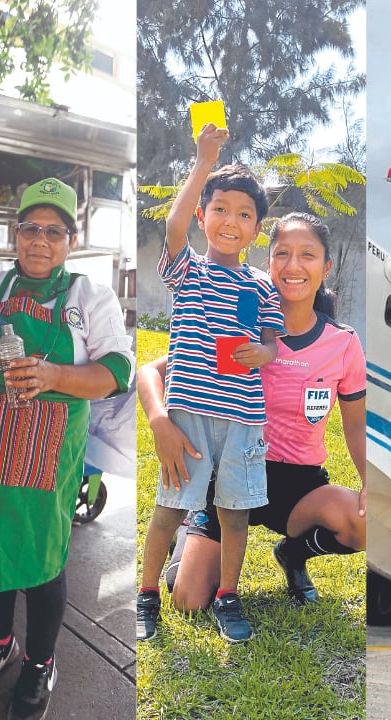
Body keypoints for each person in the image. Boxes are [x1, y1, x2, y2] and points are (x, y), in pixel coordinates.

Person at [0, 177, 132, 720]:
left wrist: (55, 372)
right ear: (16, 234)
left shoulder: (90, 297)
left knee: (38, 556)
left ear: (70, 238)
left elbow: (117, 371)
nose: (40, 240)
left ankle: (40, 660)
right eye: (30, 228)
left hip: (45, 448)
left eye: (53, 231)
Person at [141, 213, 366, 621]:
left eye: (308, 256)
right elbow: (150, 372)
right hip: (232, 467)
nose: (294, 266)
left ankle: (292, 555)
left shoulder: (343, 344)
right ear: (268, 260)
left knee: (367, 521)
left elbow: (354, 424)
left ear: (326, 267)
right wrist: (160, 422)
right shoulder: (242, 326)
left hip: (296, 485)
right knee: (188, 598)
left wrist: (370, 483)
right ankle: (186, 532)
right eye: (282, 254)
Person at [136, 124, 284, 644]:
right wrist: (202, 163)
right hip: (190, 417)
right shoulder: (189, 272)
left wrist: (261, 351)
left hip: (243, 418)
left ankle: (227, 595)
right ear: (203, 216)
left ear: (256, 230)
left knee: (235, 515)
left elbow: (271, 345)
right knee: (170, 509)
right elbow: (172, 230)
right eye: (219, 209)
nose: (230, 221)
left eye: (245, 215)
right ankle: (147, 592)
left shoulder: (261, 285)